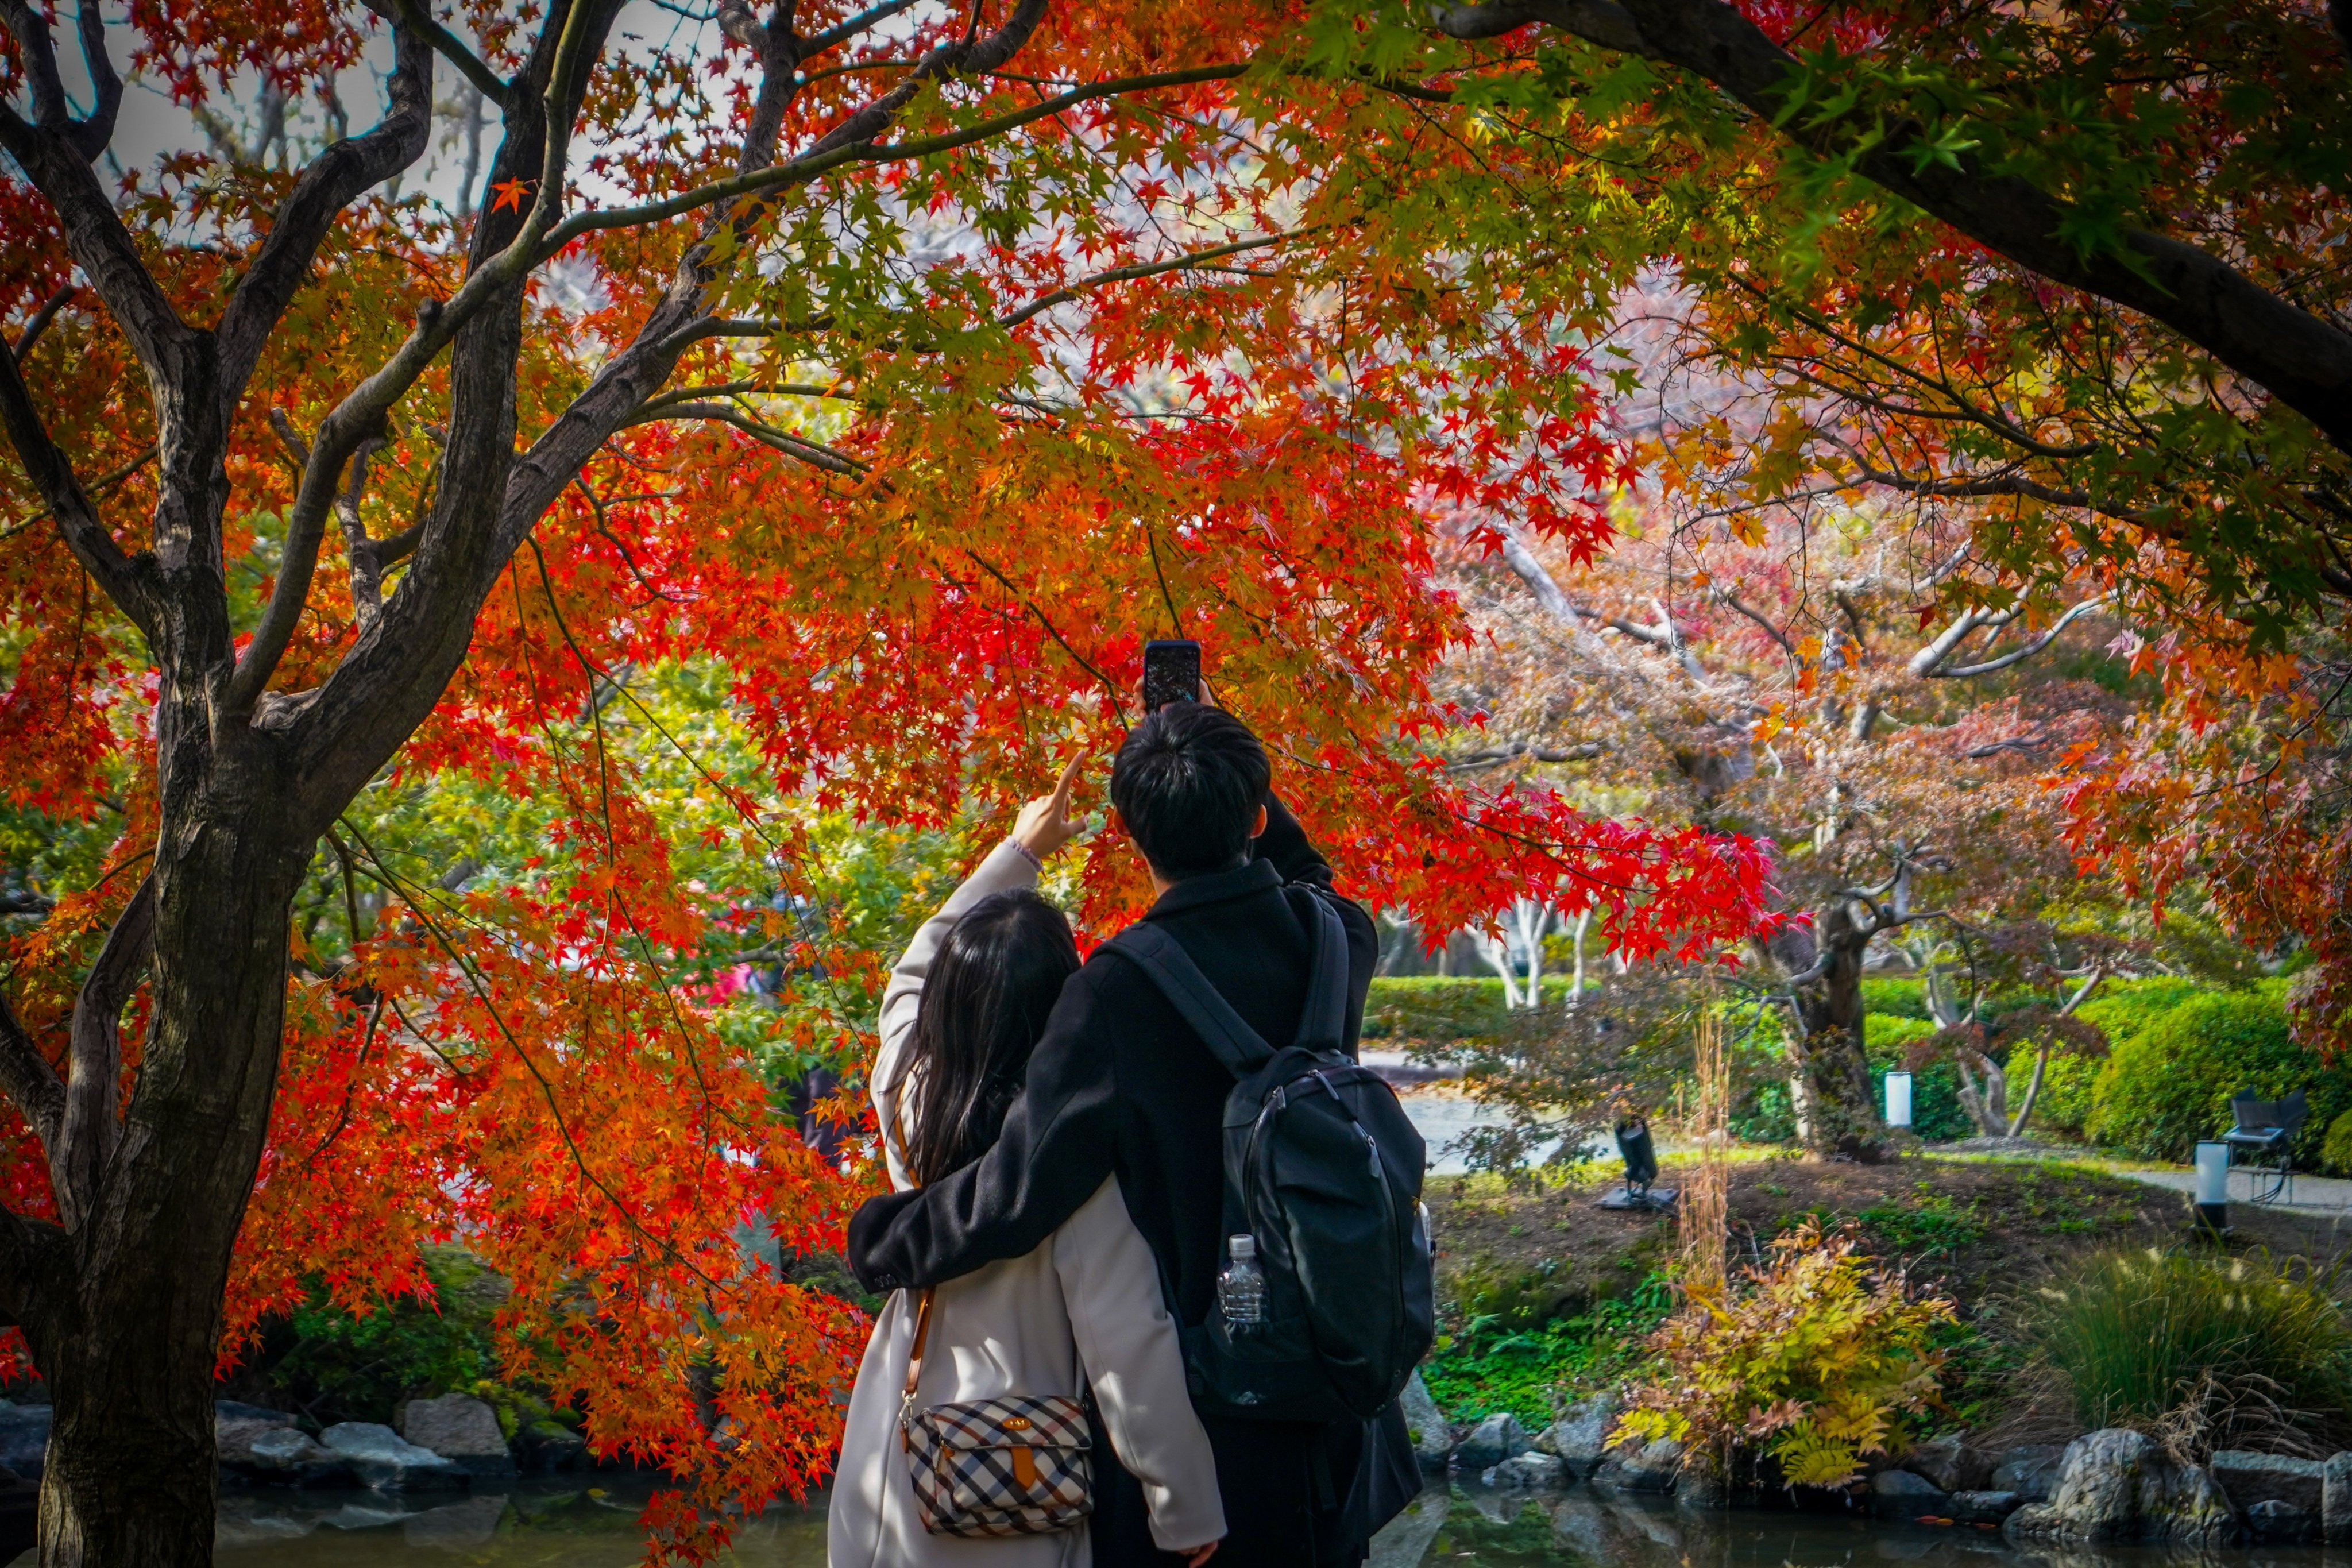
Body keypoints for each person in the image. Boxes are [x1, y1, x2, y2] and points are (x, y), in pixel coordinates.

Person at [848, 704, 1385, 1567]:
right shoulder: (1339, 937)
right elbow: (1308, 870)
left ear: (1129, 832)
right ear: (1257, 814)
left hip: (1208, 1382)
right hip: (1329, 1370)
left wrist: (890, 1233)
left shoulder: (1115, 992)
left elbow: (1018, 1187)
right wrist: (1227, 763)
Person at [828, 757, 1226, 1568]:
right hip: (1010, 1466)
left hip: (894, 1453)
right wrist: (1184, 1506)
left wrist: (1021, 847)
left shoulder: (907, 1091)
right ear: (1063, 1007)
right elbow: (1128, 1343)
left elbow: (914, 965)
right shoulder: (1065, 1161)